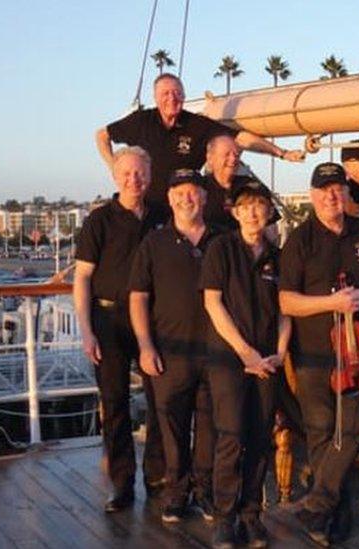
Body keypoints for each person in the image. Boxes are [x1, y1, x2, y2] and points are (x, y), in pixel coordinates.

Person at [279, 162, 359, 546]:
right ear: (314, 196)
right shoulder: (299, 239)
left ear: (346, 193)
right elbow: (287, 301)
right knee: (320, 433)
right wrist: (329, 302)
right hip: (314, 354)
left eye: (338, 189)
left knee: (356, 427)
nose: (333, 196)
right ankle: (334, 511)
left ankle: (317, 502)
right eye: (325, 190)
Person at [73, 146, 167, 512]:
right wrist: (86, 331)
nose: (134, 179)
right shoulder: (99, 220)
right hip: (108, 322)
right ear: (115, 177)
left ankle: (157, 478)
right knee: (114, 404)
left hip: (153, 320)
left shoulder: (162, 216)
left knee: (161, 402)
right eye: (127, 173)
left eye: (140, 173)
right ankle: (122, 483)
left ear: (149, 176)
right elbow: (82, 279)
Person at [201, 180, 292, 548]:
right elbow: (213, 303)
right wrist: (243, 352)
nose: (254, 212)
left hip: (268, 358)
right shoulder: (221, 249)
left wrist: (281, 352)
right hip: (230, 358)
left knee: (259, 437)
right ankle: (225, 516)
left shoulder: (278, 257)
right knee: (230, 436)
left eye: (260, 205)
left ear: (269, 211)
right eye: (246, 206)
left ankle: (251, 513)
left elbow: (286, 311)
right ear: (235, 212)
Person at [128, 168, 218, 523]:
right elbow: (138, 298)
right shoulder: (154, 243)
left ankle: (206, 491)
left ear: (204, 198)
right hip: (170, 353)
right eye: (179, 192)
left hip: (216, 354)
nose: (186, 198)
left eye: (193, 191)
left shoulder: (222, 240)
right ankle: (177, 493)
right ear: (169, 199)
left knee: (211, 428)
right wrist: (145, 345)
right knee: (172, 428)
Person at [96, 73, 303, 206]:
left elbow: (239, 138)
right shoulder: (141, 121)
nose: (172, 98)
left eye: (177, 93)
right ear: (156, 97)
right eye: (166, 93)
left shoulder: (197, 125)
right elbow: (102, 135)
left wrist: (282, 153)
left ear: (184, 96)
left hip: (185, 207)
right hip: (146, 205)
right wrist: (113, 165)